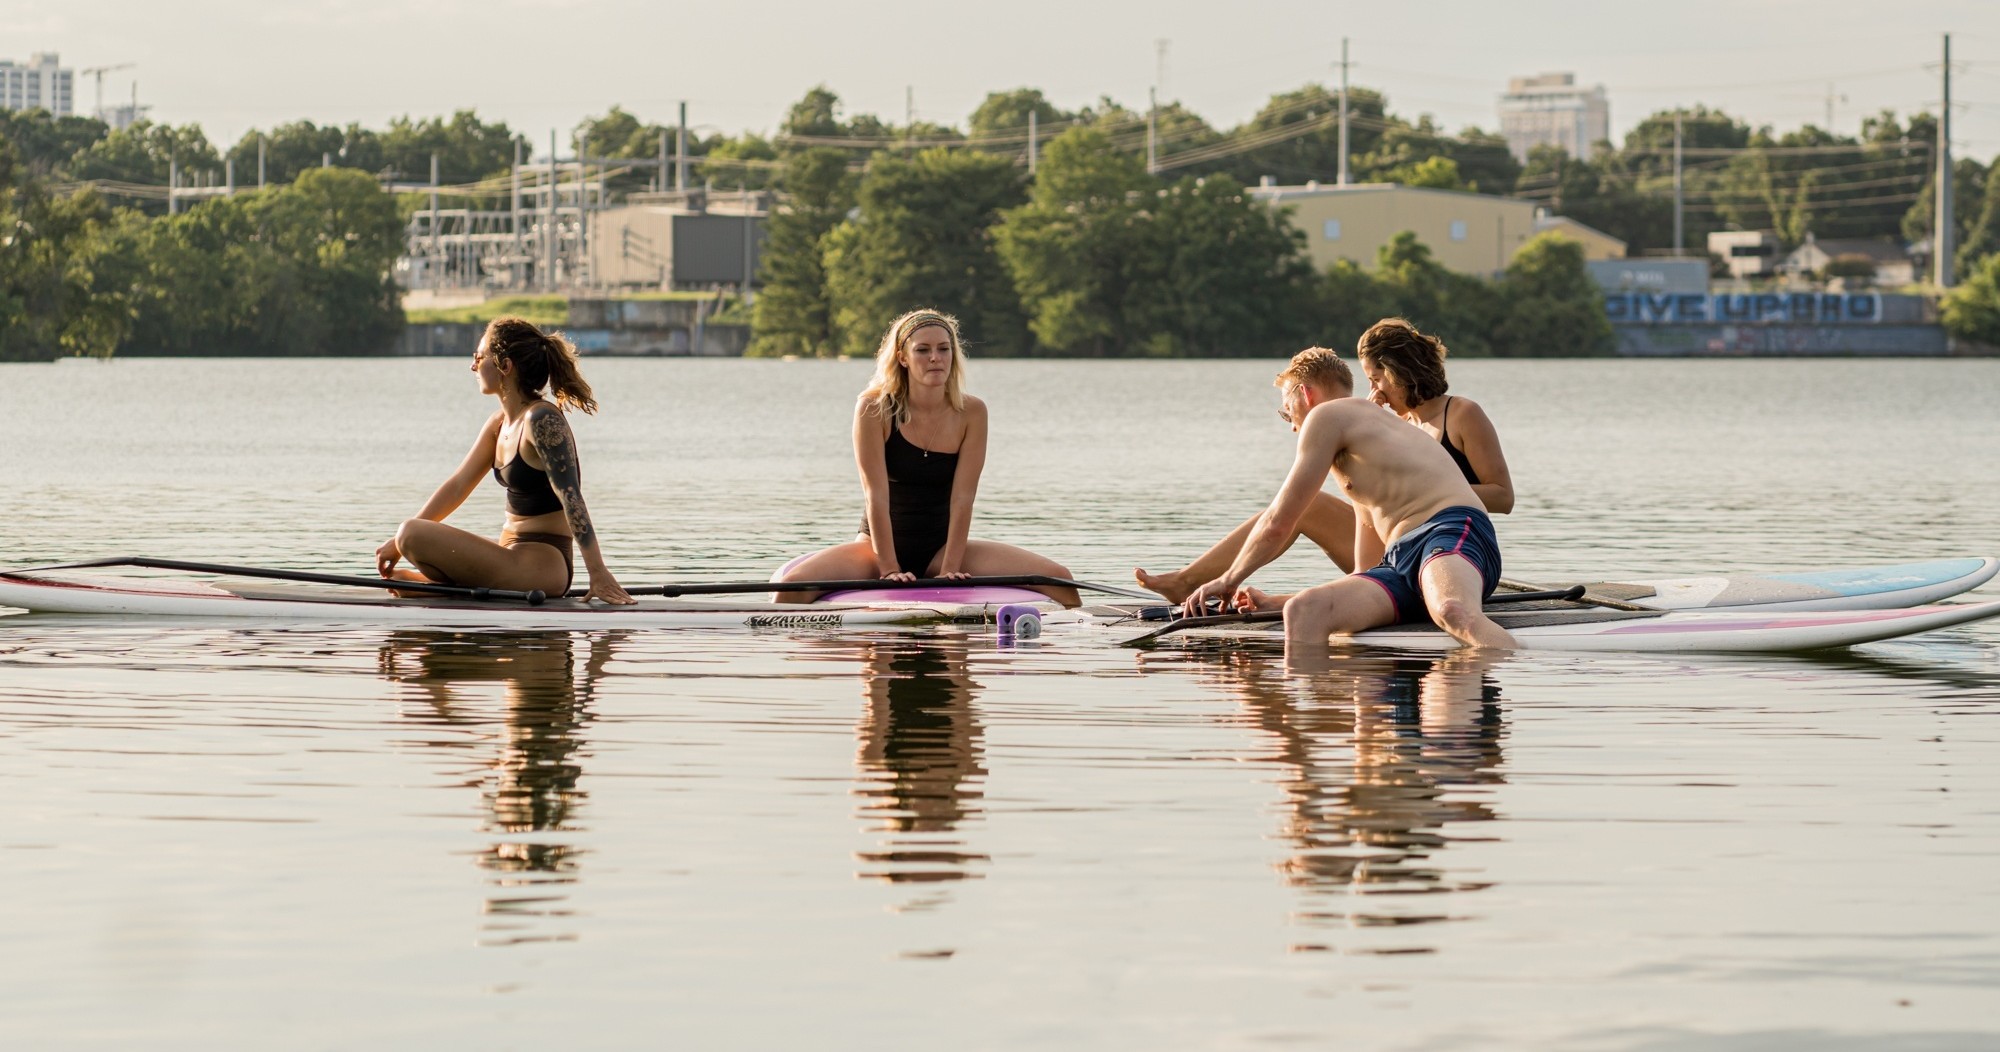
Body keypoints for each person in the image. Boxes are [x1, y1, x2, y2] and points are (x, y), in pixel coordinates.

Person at [1135, 318, 1512, 603]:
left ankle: (1194, 583)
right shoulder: (1396, 426)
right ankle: (1200, 582)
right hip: (1391, 538)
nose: (1372, 390)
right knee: (1304, 505)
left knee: (1310, 505)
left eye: (1375, 377)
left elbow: (1503, 496)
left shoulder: (1460, 413)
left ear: (1398, 370)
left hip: (1446, 540)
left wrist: (1436, 489)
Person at [773, 308, 1079, 607]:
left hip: (941, 546)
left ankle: (1088, 633)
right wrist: (889, 568)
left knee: (1059, 580)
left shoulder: (972, 412)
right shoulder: (873, 408)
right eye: (923, 350)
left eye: (944, 349)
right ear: (903, 358)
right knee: (790, 589)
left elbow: (963, 498)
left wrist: (950, 568)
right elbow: (875, 497)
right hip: (876, 547)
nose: (936, 357)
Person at [375, 317, 634, 605]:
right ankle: (441, 588)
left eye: (479, 357)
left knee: (411, 533)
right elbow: (458, 485)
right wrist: (396, 547)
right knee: (405, 546)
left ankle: (442, 588)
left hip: (544, 565)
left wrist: (597, 573)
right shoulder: (498, 424)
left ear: (505, 366)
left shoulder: (542, 420)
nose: (473, 366)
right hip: (511, 556)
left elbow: (571, 497)